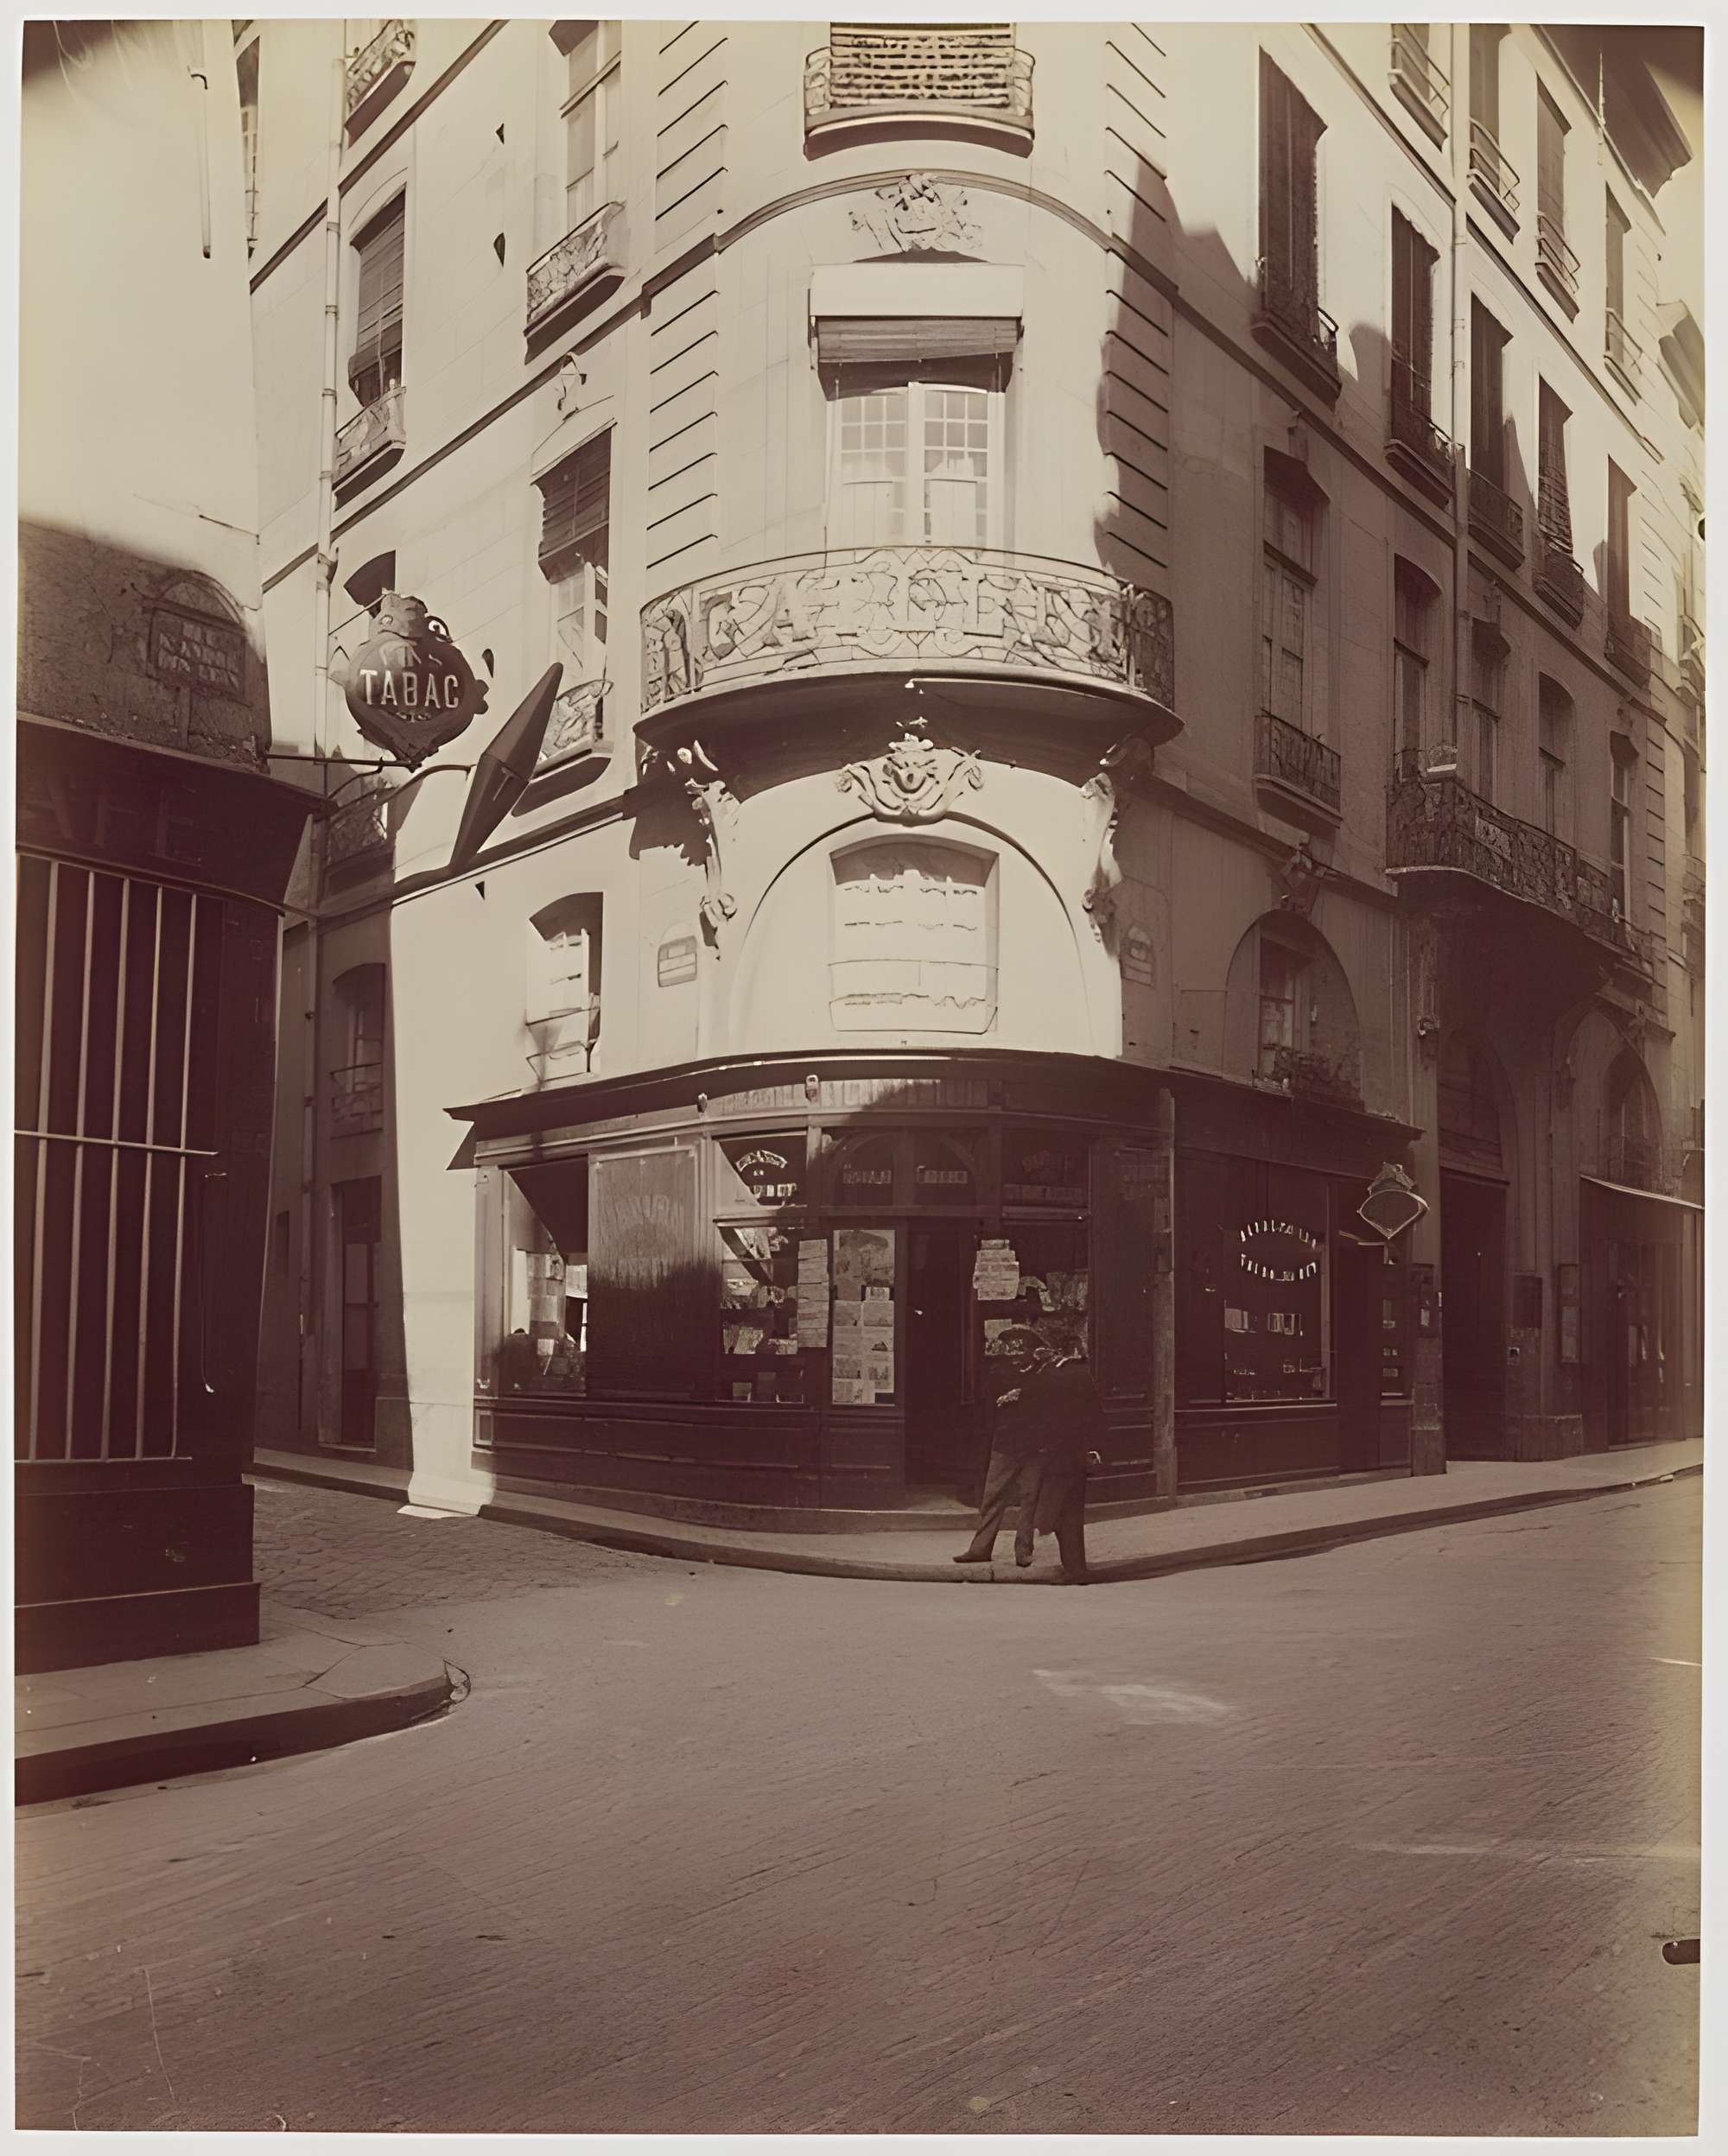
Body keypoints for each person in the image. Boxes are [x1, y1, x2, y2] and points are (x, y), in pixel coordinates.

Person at [953, 1327, 1049, 1568]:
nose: (1014, 1355)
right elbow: (988, 1408)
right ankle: (980, 1549)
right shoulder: (998, 1373)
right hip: (1005, 1445)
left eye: (1020, 1349)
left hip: (1036, 1446)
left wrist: (1022, 1393)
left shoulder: (1043, 1374)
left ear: (1032, 1351)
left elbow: (1054, 1399)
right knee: (992, 1498)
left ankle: (1023, 1551)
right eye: (1010, 1350)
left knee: (1030, 1500)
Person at [1024, 1339, 1107, 1582]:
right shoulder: (1082, 1374)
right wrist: (1094, 1448)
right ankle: (1075, 1567)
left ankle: (1075, 1570)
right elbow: (1095, 1413)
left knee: (1061, 1514)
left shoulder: (1051, 1375)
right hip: (1075, 1455)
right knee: (1070, 1513)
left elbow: (1040, 1412)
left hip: (1058, 1455)